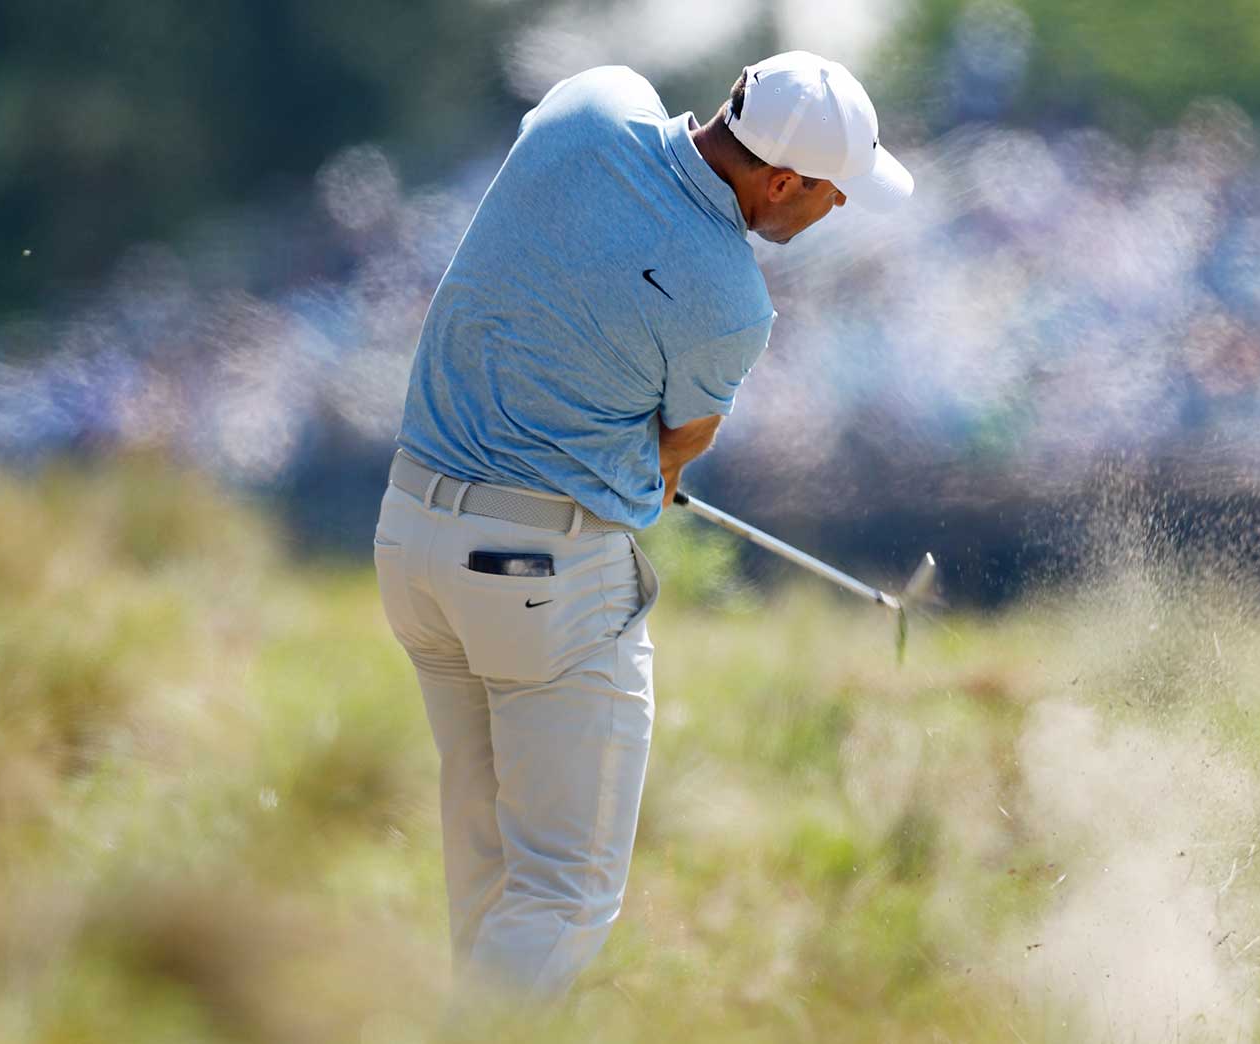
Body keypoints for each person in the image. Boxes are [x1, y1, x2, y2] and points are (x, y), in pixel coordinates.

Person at [371, 51, 913, 1003]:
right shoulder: (733, 305)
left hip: (410, 536)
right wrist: (633, 468)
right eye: (831, 194)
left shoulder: (593, 102)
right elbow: (674, 454)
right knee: (564, 895)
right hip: (537, 577)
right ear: (780, 181)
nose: (834, 212)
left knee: (488, 866)